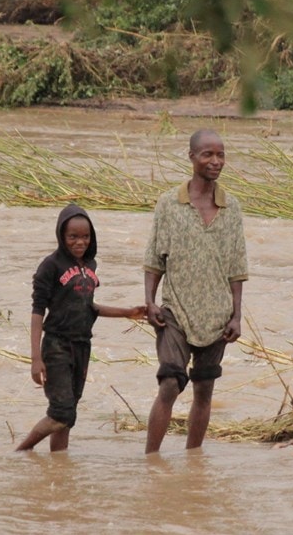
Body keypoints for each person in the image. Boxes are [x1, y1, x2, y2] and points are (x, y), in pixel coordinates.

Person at [142, 128, 248, 453]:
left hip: (217, 316)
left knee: (204, 390)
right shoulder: (169, 204)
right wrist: (149, 302)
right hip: (175, 311)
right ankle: (151, 461)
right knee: (170, 384)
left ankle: (193, 460)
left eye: (220, 155)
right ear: (192, 157)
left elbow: (237, 268)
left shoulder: (231, 209)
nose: (215, 161)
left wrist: (237, 316)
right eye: (207, 154)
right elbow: (153, 259)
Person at [16, 204, 145, 451]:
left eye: (85, 236)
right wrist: (35, 358)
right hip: (56, 346)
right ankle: (22, 451)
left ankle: (59, 464)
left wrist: (129, 313)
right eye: (73, 237)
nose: (80, 242)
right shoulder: (50, 266)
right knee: (61, 413)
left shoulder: (90, 265)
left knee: (69, 414)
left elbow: (88, 306)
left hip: (82, 346)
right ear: (62, 236)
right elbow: (37, 311)